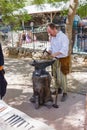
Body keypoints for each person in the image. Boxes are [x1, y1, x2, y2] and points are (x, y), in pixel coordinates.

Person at [46, 23, 70, 102]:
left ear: (54, 29)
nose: (49, 33)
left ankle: (65, 93)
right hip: (54, 60)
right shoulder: (52, 37)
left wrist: (55, 54)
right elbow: (51, 46)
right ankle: (58, 89)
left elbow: (64, 49)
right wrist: (49, 51)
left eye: (50, 31)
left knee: (62, 77)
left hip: (62, 59)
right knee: (55, 76)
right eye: (48, 32)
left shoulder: (63, 37)